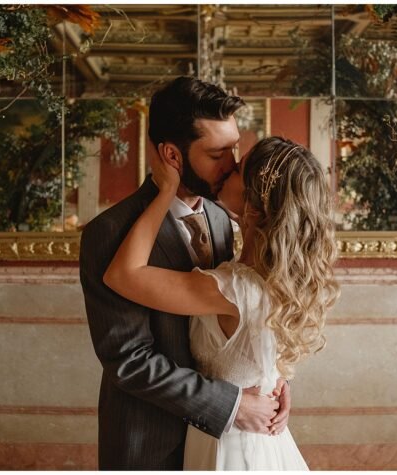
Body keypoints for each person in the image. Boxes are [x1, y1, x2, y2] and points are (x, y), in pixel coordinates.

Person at [79, 77, 287, 470]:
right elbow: (129, 360)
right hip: (150, 444)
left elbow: (246, 316)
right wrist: (231, 405)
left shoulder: (224, 217)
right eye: (217, 154)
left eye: (234, 149)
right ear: (172, 156)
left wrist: (273, 379)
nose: (232, 166)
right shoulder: (109, 233)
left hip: (227, 445)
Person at [104, 135, 340, 469]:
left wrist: (165, 190)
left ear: (254, 208)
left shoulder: (233, 288)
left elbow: (123, 276)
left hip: (230, 449)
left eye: (238, 169)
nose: (226, 167)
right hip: (262, 439)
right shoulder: (280, 278)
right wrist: (275, 382)